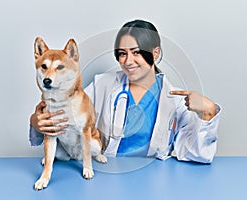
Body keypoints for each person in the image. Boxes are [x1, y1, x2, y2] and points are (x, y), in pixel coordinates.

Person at [29, 19, 221, 163]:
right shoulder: (102, 85)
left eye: (136, 52)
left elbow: (199, 154)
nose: (128, 61)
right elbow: (64, 123)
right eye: (122, 54)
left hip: (155, 177)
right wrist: (37, 124)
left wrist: (208, 111)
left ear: (154, 53)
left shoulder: (177, 101)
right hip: (105, 173)